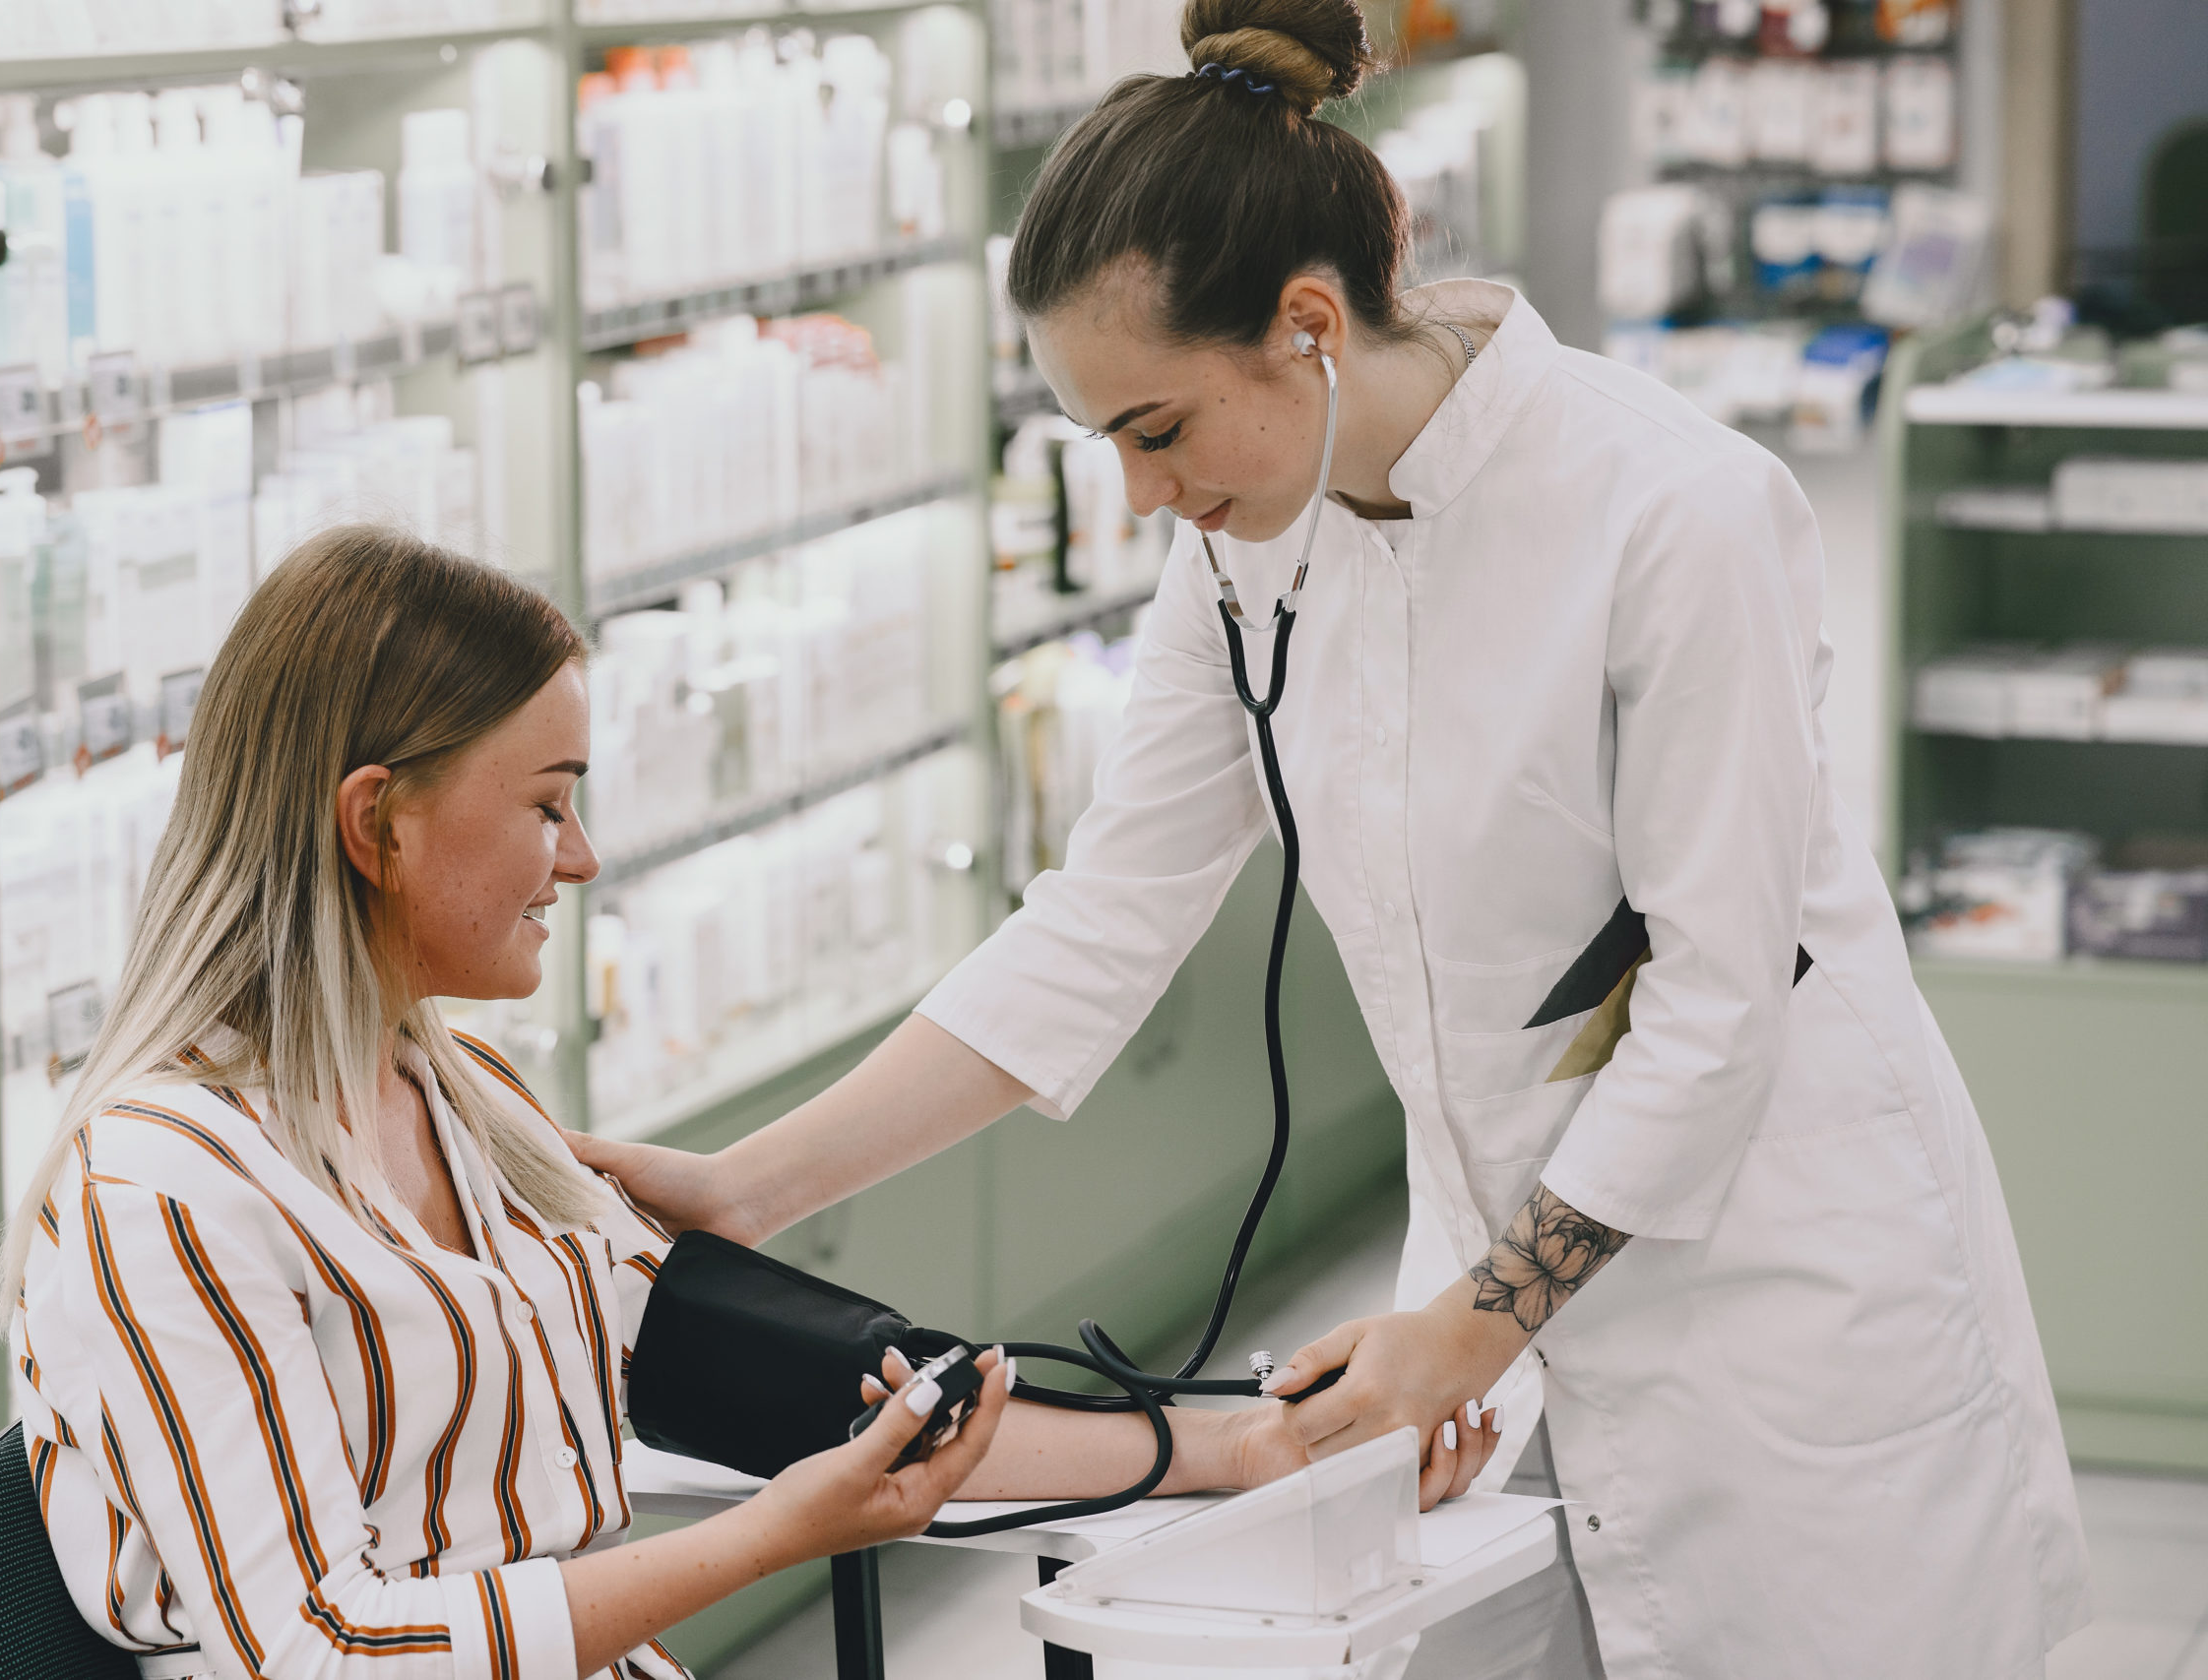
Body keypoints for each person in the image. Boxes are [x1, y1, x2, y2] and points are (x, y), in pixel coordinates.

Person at [569, 0, 2093, 1672]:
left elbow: (1718, 1012)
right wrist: (743, 1184)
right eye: (1108, 445)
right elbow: (1108, 913)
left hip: (1785, 1288)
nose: (1142, 494)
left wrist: (1466, 1329)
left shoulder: (1673, 513)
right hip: (1501, 1291)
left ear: (1306, 323)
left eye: (1157, 429)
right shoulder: (1244, 551)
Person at [0, 529, 1324, 1680]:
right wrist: (770, 1536)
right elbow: (321, 1653)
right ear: (375, 823)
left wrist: (1233, 1448)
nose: (581, 857)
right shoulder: (164, 1189)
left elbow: (800, 1394)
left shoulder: (466, 1102)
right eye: (546, 806)